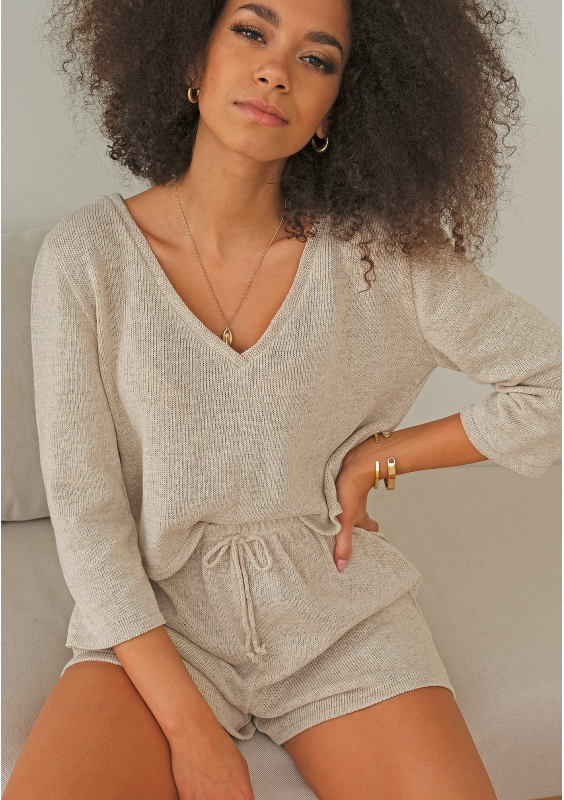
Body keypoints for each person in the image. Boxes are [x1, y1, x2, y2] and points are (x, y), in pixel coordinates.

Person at [6, 0, 561, 797]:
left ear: (339, 106)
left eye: (316, 58)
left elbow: (551, 380)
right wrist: (191, 731)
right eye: (251, 31)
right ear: (190, 59)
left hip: (338, 622)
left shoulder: (382, 258)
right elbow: (89, 519)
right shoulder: (87, 260)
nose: (276, 70)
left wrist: (381, 457)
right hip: (161, 622)